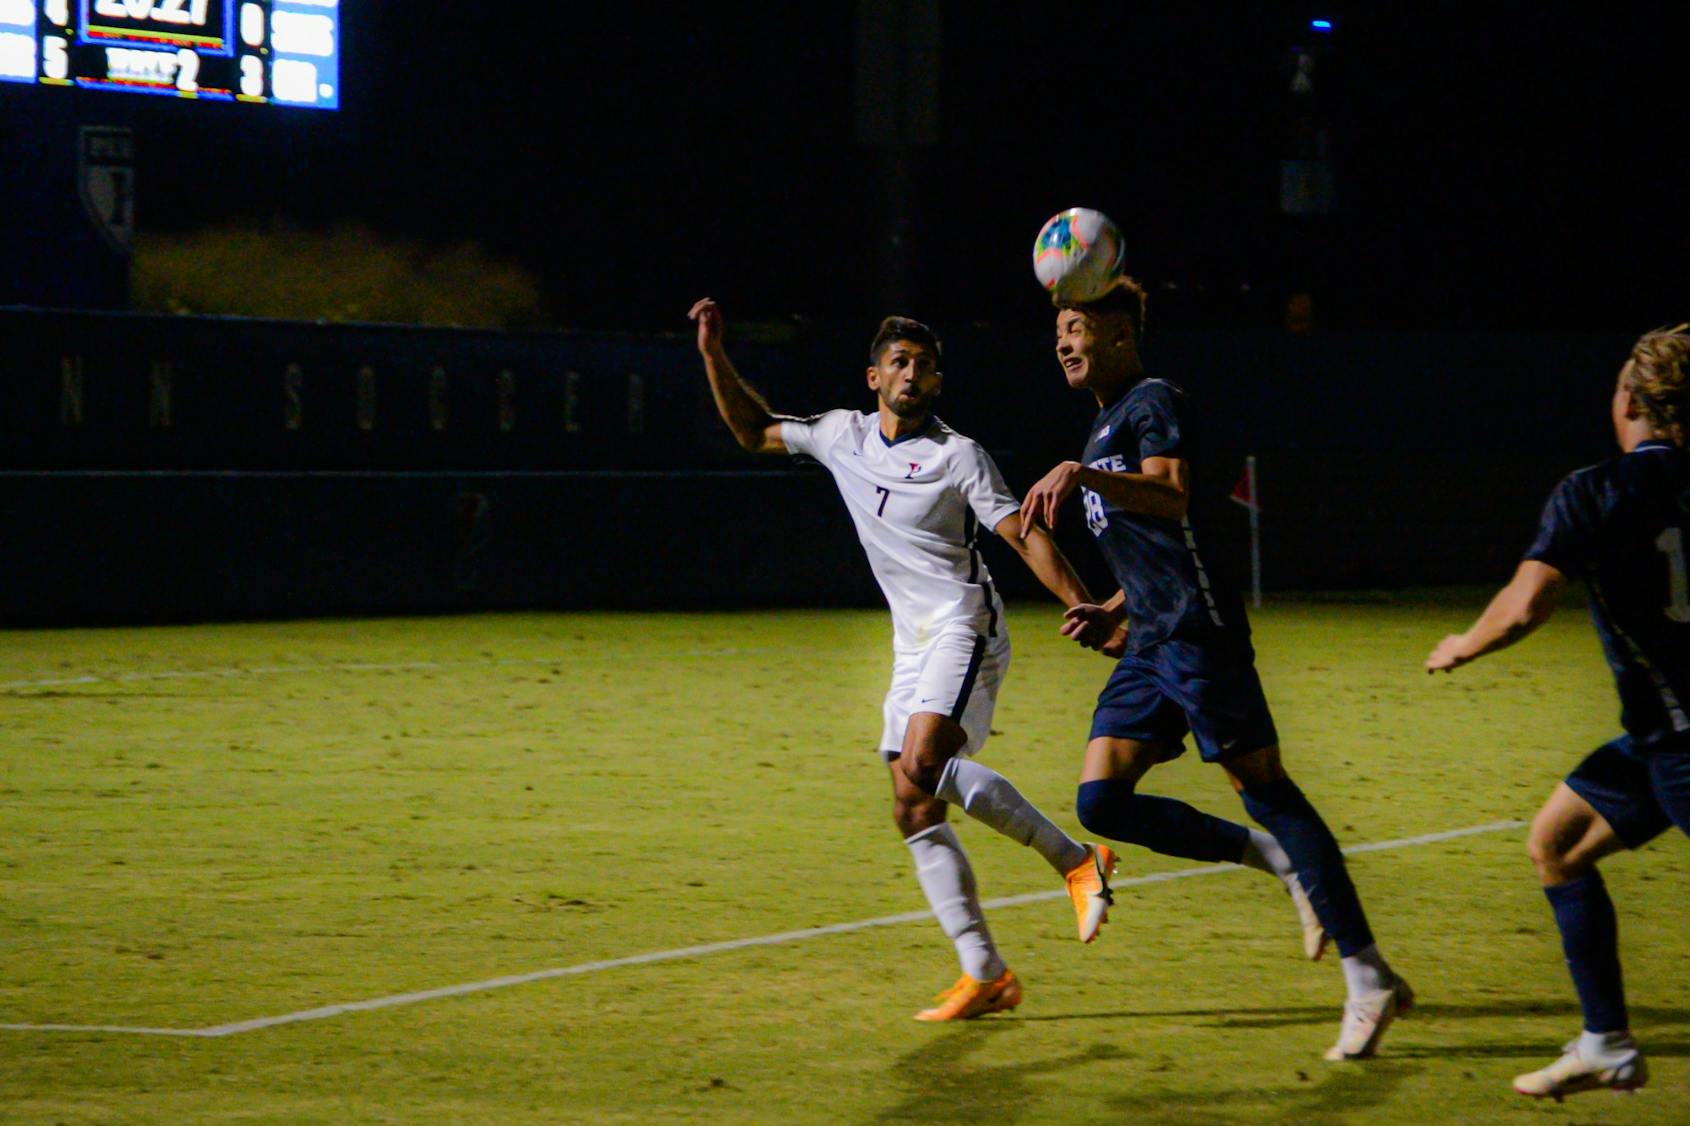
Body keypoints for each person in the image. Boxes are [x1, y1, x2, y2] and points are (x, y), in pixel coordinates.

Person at [688, 297, 1117, 1021]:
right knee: (913, 805)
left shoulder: (958, 456)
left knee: (923, 764)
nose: (910, 373)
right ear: (873, 377)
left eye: (923, 365)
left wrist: (1084, 602)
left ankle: (1078, 861)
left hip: (964, 623)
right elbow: (753, 431)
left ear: (937, 383)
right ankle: (985, 974)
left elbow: (1022, 535)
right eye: (898, 362)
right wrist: (712, 354)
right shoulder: (839, 436)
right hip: (910, 639)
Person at [1018, 277, 1410, 1061]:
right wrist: (1116, 606)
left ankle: (1370, 977)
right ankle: (1275, 863)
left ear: (1123, 334)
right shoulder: (1101, 429)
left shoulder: (1152, 400)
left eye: (1078, 326)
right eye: (1058, 328)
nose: (1063, 341)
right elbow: (1155, 545)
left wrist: (1083, 477)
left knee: (1268, 789)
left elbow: (1171, 497)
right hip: (1150, 639)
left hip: (1197, 634)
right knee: (1100, 800)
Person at [1427, 323, 1690, 1100]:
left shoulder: (1595, 489)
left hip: (1681, 744)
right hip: (1654, 741)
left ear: (1632, 401)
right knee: (1558, 843)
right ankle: (1605, 1041)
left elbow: (1529, 600)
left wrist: (1465, 644)